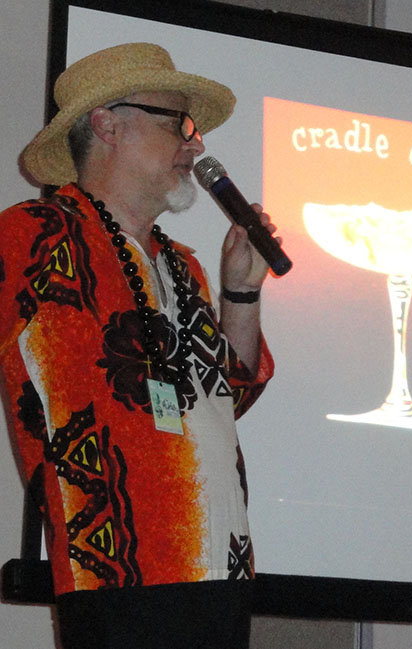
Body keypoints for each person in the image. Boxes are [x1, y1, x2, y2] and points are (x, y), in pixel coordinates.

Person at [0, 42, 276, 648]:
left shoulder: (183, 265)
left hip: (223, 570)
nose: (195, 146)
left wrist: (241, 292)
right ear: (108, 124)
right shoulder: (33, 237)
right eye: (179, 124)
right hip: (119, 574)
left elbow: (229, 396)